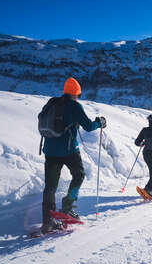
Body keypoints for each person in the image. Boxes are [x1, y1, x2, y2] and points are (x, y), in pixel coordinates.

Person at [40, 77, 106, 233]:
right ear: (76, 93)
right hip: (69, 150)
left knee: (50, 186)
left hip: (50, 150)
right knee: (79, 175)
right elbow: (89, 126)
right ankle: (67, 207)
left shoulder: (52, 102)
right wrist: (100, 122)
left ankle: (47, 221)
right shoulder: (75, 106)